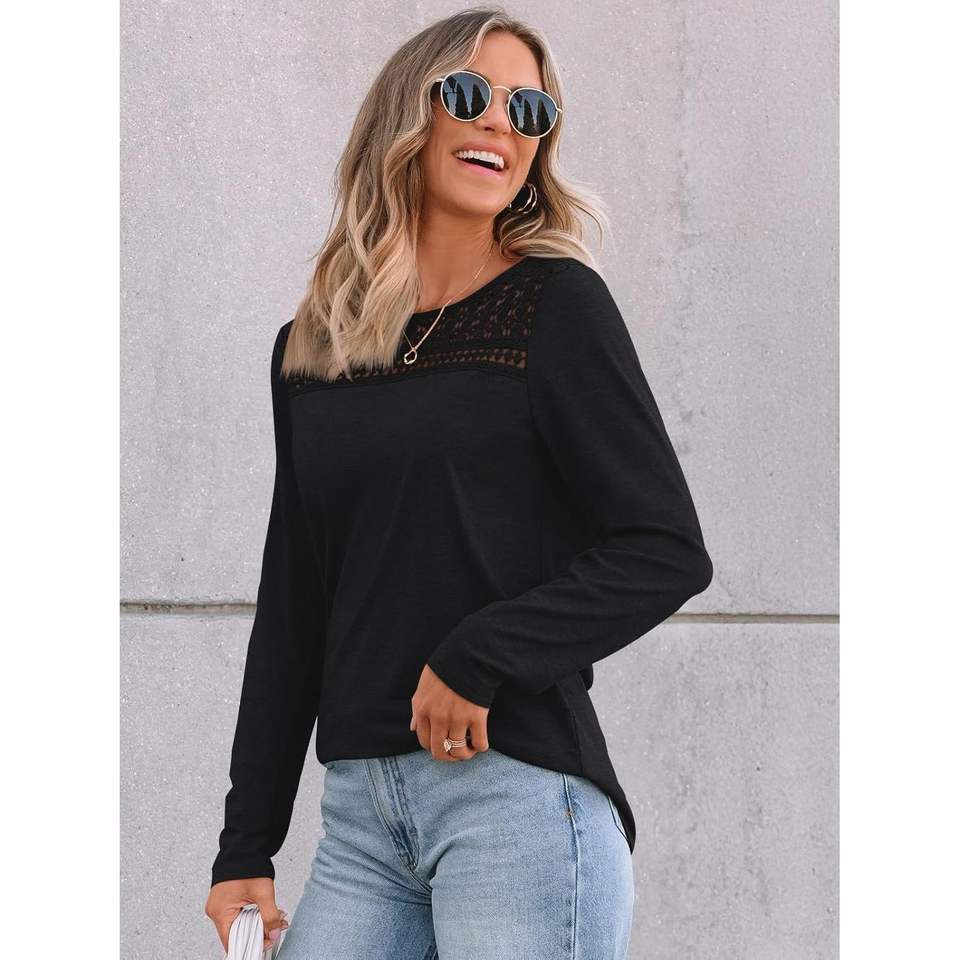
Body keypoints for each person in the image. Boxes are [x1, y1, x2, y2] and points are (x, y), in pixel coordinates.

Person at [204, 7, 712, 959]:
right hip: (361, 820)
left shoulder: (555, 306)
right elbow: (296, 601)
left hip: (517, 803)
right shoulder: (313, 348)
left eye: (529, 110)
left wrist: (482, 654)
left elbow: (665, 549)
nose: (499, 125)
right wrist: (247, 844)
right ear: (410, 113)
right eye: (471, 95)